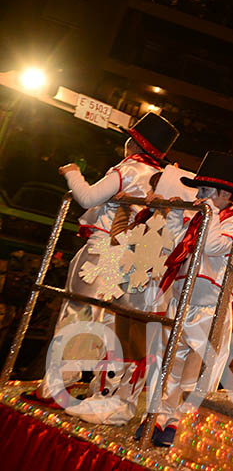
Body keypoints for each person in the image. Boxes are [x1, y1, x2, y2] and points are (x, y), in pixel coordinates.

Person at [21, 112, 179, 408]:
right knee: (104, 320)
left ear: (133, 143)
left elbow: (88, 197)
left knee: (77, 314)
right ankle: (99, 390)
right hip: (125, 254)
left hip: (102, 248)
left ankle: (56, 389)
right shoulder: (158, 178)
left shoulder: (130, 169)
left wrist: (71, 172)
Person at [136, 151, 233, 447]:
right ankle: (159, 415)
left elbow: (212, 247)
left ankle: (179, 422)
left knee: (194, 368)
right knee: (170, 362)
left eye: (206, 191)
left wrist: (207, 212)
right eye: (199, 190)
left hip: (209, 306)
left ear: (225, 194)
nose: (199, 196)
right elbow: (174, 245)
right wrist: (175, 214)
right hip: (182, 300)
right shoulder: (200, 219)